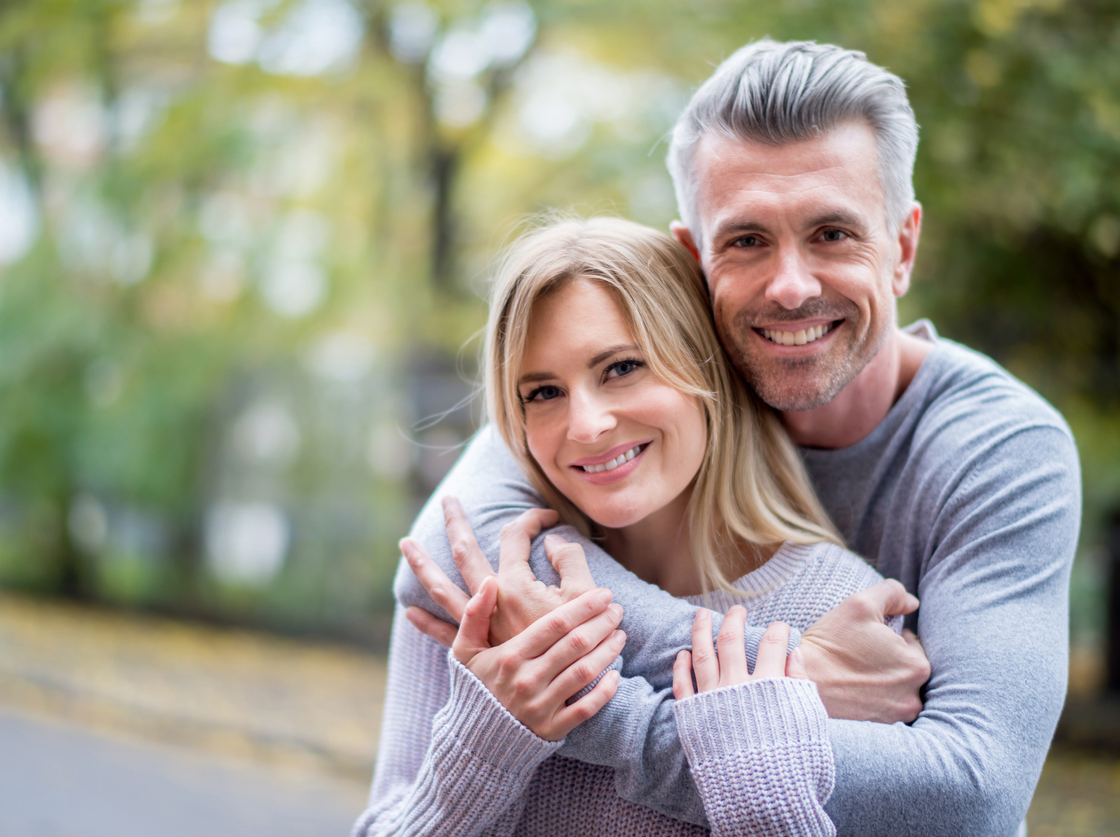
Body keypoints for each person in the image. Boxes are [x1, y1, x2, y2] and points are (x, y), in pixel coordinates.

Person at [394, 38, 1081, 836]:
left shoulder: (998, 450)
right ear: (695, 260)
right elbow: (449, 558)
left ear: (902, 247)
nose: (790, 286)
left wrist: (603, 710)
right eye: (747, 240)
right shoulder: (649, 380)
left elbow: (968, 795)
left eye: (832, 233)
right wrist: (791, 672)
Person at [355, 216, 908, 836]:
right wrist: (487, 742)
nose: (585, 425)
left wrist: (755, 799)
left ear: (705, 368)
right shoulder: (495, 597)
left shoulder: (850, 624)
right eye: (542, 393)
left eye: (621, 368)